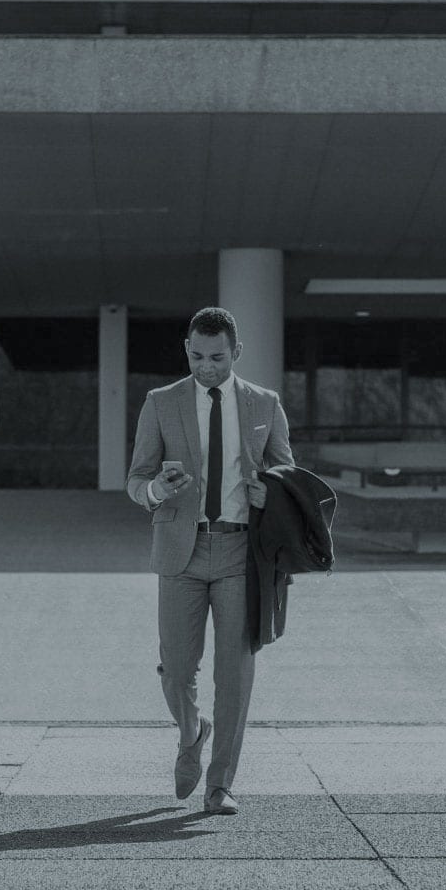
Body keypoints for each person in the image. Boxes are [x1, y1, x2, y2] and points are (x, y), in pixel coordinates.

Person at [126, 306, 293, 815]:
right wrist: (155, 489)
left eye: (217, 357)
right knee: (177, 670)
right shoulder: (161, 403)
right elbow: (136, 479)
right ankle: (192, 729)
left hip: (242, 551)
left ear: (236, 352)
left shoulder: (265, 403)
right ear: (187, 349)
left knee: (234, 672)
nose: (207, 367)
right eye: (197, 356)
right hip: (182, 548)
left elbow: (286, 469)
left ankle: (219, 784)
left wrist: (272, 490)